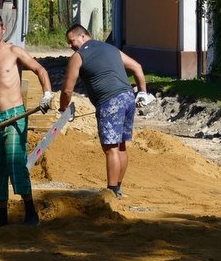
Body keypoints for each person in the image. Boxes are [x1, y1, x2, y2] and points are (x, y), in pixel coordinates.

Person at [0, 12, 53, 227]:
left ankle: (30, 212)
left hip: (14, 116)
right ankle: (2, 216)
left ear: (3, 29)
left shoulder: (15, 52)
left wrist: (47, 94)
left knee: (15, 162)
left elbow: (39, 69)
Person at [59, 24, 152, 198]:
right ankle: (117, 188)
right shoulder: (111, 49)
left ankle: (111, 192)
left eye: (72, 41)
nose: (70, 46)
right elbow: (137, 67)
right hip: (127, 98)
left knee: (111, 149)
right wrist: (142, 93)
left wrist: (63, 108)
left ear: (83, 37)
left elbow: (67, 90)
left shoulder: (78, 57)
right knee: (121, 146)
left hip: (110, 103)